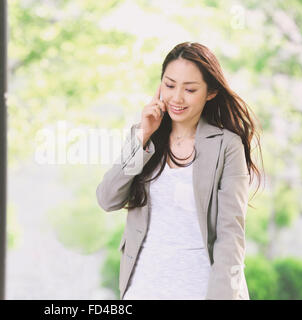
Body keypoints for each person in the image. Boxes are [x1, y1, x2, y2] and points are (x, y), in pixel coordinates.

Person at [96, 42, 263, 300]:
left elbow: (231, 236)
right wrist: (143, 136)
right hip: (143, 288)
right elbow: (107, 198)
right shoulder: (144, 136)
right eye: (170, 85)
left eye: (190, 89)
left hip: (201, 289)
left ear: (211, 92)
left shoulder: (227, 146)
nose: (176, 98)